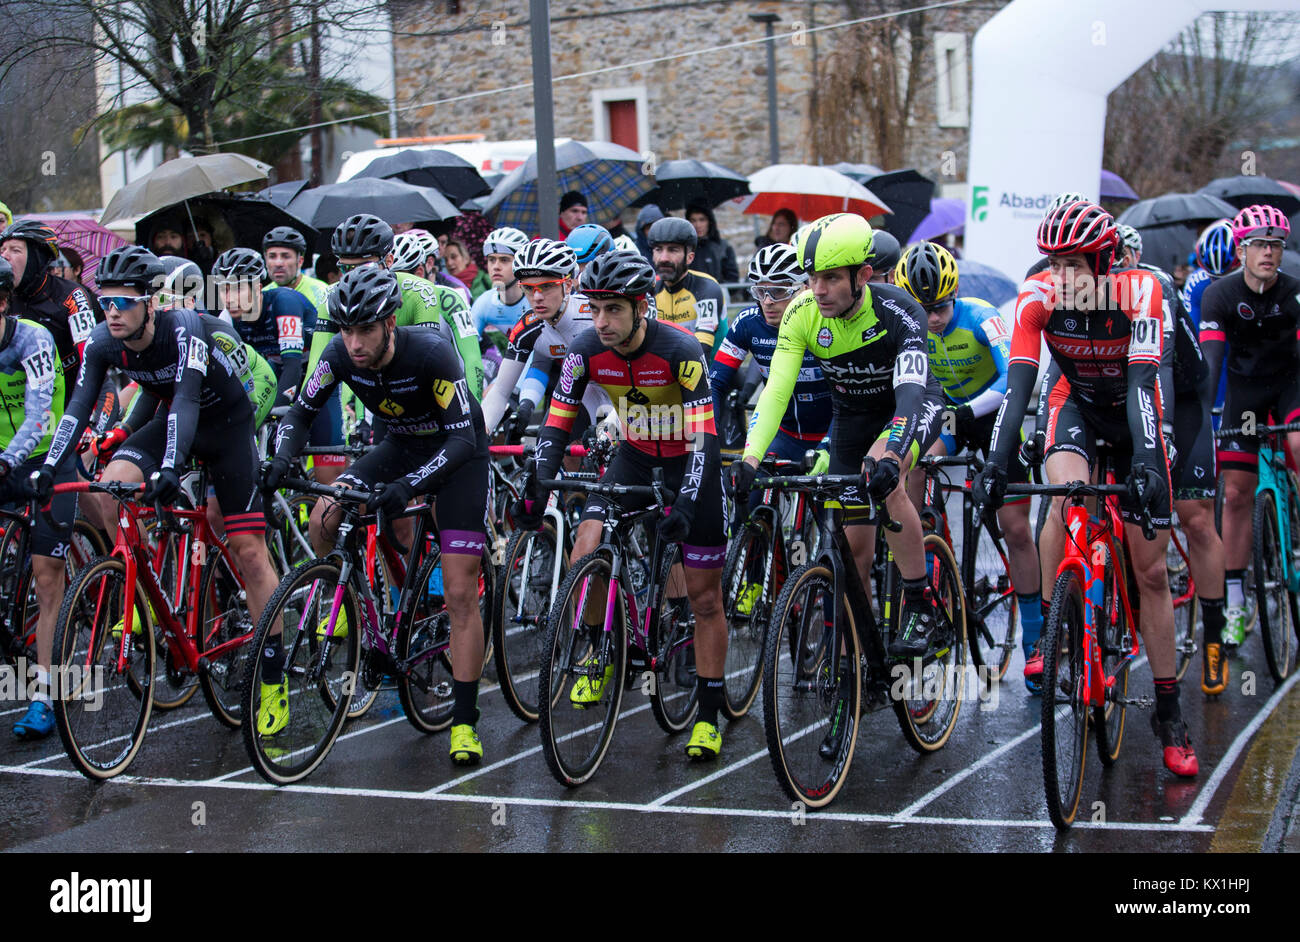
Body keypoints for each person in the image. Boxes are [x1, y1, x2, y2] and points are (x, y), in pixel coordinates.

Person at [973, 200, 1197, 776]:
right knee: (1062, 503)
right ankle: (1055, 629)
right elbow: (1019, 386)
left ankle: (1168, 711)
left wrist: (1147, 462)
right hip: (1074, 406)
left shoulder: (1141, 293)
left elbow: (1145, 384)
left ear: (1102, 263)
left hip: (1134, 413)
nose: (1062, 276)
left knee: (1149, 569)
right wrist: (997, 463)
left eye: (1074, 264)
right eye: (1054, 262)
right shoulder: (1037, 296)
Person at [33, 246, 282, 733]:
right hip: (175, 421)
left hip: (226, 425)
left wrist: (170, 467)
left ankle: (272, 680)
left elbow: (186, 401)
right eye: (107, 302)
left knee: (248, 549)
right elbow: (77, 406)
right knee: (108, 488)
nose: (112, 312)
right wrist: (50, 464)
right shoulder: (105, 340)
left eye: (124, 302)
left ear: (152, 303)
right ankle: (142, 589)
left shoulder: (184, 325)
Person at [263, 265, 491, 764]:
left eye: (365, 329)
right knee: (324, 518)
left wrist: (409, 487)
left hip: (458, 455)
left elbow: (461, 439)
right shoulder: (340, 355)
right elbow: (301, 412)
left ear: (390, 322)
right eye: (346, 330)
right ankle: (364, 611)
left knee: (458, 592)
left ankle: (465, 723)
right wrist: (281, 460)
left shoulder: (431, 351)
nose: (354, 342)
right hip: (399, 447)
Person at [517, 250, 730, 759]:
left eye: (614, 309)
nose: (602, 321)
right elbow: (557, 422)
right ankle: (595, 650)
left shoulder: (679, 349)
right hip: (632, 457)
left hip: (688, 463)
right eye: (594, 308)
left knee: (704, 600)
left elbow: (706, 440)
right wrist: (538, 483)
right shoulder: (586, 349)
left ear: (641, 308)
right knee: (585, 551)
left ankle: (707, 716)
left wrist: (686, 501)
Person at [734, 213, 945, 664]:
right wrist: (751, 458)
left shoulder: (899, 310)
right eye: (811, 278)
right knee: (855, 552)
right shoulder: (801, 312)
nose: (818, 290)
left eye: (830, 278)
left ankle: (920, 602)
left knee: (887, 482)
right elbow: (776, 389)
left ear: (863, 275)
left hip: (908, 405)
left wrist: (893, 452)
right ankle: (852, 664)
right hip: (852, 416)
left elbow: (909, 390)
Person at [896, 242, 1042, 688]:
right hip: (949, 417)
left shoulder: (982, 318)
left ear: (953, 294)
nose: (933, 319)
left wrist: (969, 410)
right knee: (911, 462)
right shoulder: (910, 326)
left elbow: (1011, 378)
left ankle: (1036, 642)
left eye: (940, 307)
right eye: (924, 310)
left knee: (1016, 528)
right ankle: (927, 540)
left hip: (995, 414)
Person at [1114, 223, 1226, 696]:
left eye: (1123, 257)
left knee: (1195, 519)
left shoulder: (1156, 287)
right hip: (1124, 403)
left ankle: (1215, 638)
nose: (1116, 266)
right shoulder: (1083, 293)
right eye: (1108, 258)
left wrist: (1164, 437)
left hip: (1179, 401)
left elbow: (1161, 371)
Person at [1199, 204, 1299, 654]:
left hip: (1291, 390)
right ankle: (1236, 600)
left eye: (1275, 245)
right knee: (1237, 493)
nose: (1268, 253)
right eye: (1259, 244)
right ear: (1242, 250)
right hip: (1245, 396)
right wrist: (1203, 416)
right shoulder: (1219, 295)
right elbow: (1212, 360)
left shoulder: (1295, 294)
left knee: (1298, 442)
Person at [0, 256, 71, 739]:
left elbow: (39, 412)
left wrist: (7, 461)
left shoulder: (32, 338)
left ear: (3, 302)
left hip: (46, 458)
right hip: (1, 459)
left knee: (47, 578)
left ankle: (45, 695)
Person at [329, 214, 483, 401]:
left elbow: (471, 360)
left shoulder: (449, 297)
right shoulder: (365, 303)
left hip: (446, 386)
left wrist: (475, 411)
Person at [710, 243, 829, 478]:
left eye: (778, 291)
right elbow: (715, 383)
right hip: (784, 435)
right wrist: (707, 437)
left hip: (832, 436)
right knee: (750, 504)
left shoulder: (827, 323)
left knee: (834, 511)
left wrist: (830, 445)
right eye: (760, 291)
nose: (767, 301)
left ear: (805, 288)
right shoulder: (748, 323)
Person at [478, 239, 609, 441]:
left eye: (546, 286)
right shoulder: (527, 328)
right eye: (529, 288)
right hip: (578, 393)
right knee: (547, 450)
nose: (537, 297)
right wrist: (481, 434)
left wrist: (609, 427)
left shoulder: (593, 317)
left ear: (566, 285)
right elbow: (501, 391)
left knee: (611, 453)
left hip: (620, 395)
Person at [0, 221, 102, 408]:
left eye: (15, 250)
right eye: (2, 250)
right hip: (21, 404)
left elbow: (91, 359)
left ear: (37, 258)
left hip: (75, 397)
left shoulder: (71, 295)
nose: (4, 256)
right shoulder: (4, 298)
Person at [648, 216, 725, 351]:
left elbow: (703, 349)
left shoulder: (707, 288)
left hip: (711, 368)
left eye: (673, 250)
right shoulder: (650, 290)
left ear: (690, 257)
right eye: (658, 249)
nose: (664, 258)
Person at [468, 227, 530, 360]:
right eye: (491, 259)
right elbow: (467, 350)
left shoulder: (535, 300)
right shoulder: (484, 302)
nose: (496, 266)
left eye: (504, 260)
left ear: (521, 264)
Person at [685, 202, 739, 283]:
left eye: (702, 220)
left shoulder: (723, 247)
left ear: (709, 222)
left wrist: (716, 289)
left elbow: (732, 279)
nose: (698, 225)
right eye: (693, 220)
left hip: (717, 294)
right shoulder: (684, 248)